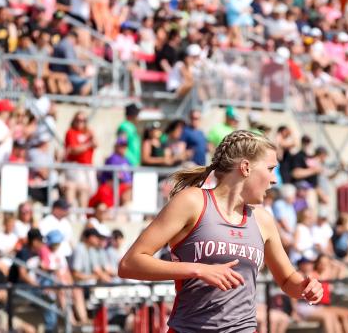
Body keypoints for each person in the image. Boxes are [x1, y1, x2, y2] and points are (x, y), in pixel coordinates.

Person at [119, 130, 324, 332]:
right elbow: (130, 263)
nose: (274, 179)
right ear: (245, 167)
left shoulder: (263, 220)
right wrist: (198, 269)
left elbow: (287, 280)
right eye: (270, 169)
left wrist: (305, 286)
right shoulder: (192, 201)